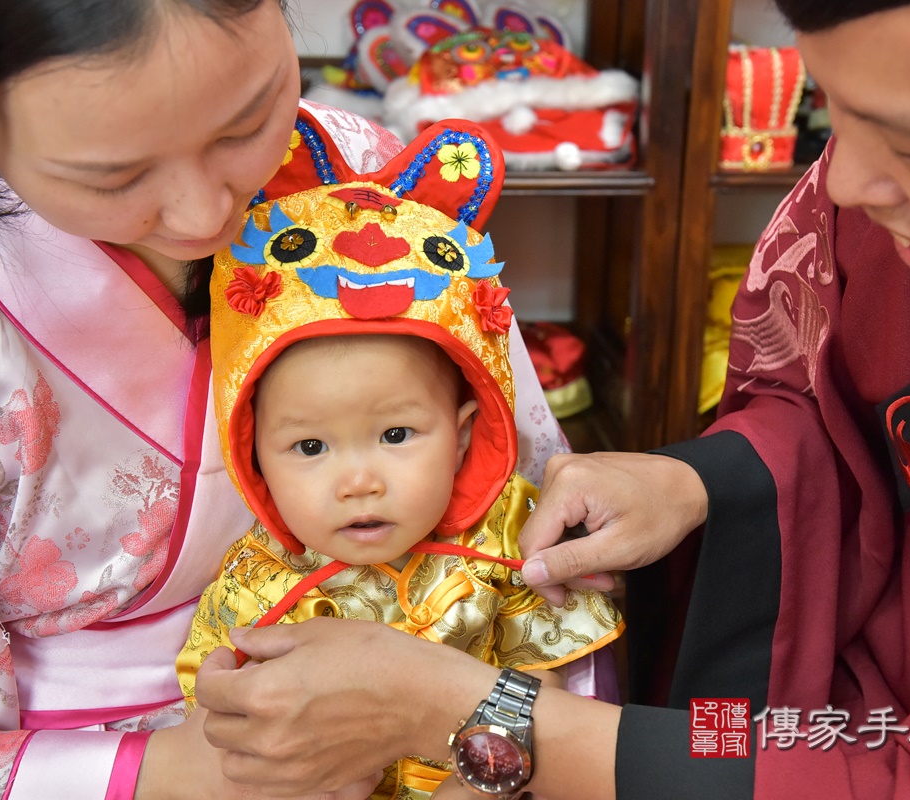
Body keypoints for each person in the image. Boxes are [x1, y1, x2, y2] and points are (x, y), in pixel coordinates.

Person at [187, 0, 910, 797]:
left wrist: (472, 716)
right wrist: (699, 482)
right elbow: (814, 402)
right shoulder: (863, 201)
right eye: (833, 120)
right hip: (806, 718)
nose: (848, 183)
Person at [0, 2, 571, 798]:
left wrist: (486, 733)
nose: (205, 214)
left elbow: (512, 507)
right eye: (114, 177)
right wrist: (159, 772)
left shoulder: (365, 178)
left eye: (246, 123)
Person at [175, 127, 623, 797]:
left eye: (395, 435)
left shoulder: (509, 541)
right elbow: (224, 710)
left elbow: (544, 683)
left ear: (465, 435)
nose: (358, 481)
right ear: (253, 457)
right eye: (309, 447)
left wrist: (476, 783)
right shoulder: (255, 581)